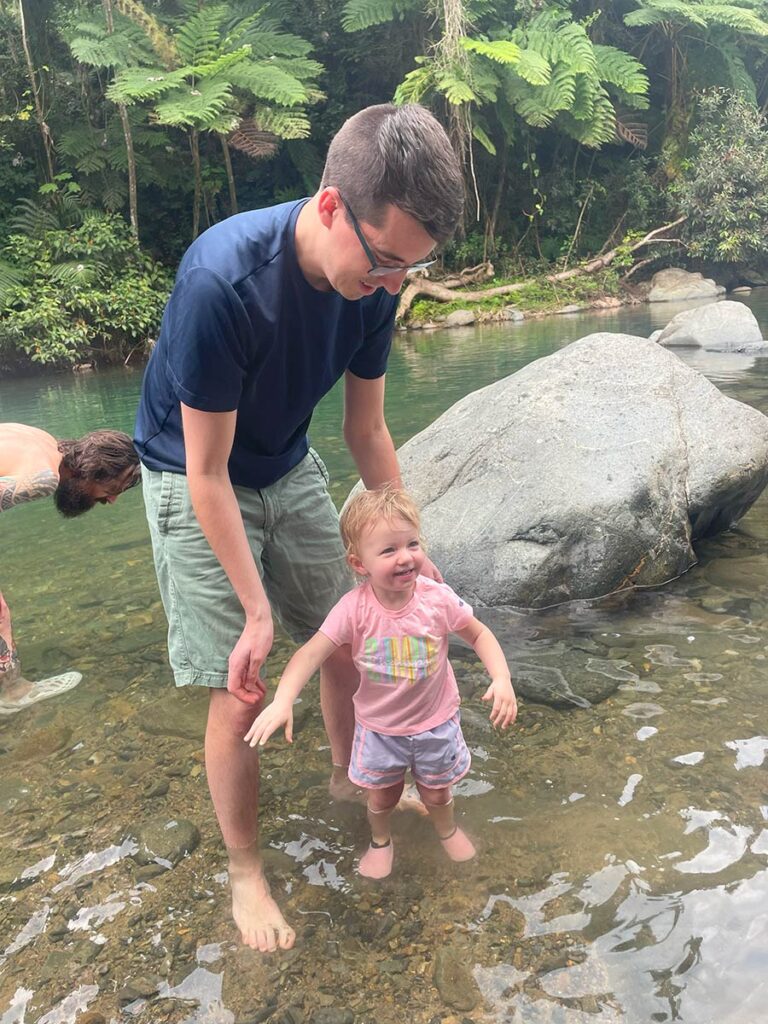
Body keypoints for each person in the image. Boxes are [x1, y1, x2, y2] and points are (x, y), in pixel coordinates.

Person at [134, 102, 464, 953]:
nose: (393, 283)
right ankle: (245, 869)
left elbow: (365, 432)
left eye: (411, 267)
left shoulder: (374, 288)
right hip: (194, 474)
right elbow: (206, 472)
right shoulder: (223, 283)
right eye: (386, 259)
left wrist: (410, 551)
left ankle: (349, 780)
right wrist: (254, 610)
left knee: (350, 634)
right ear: (329, 206)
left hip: (286, 464)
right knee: (235, 679)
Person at [245, 487, 517, 879]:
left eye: (412, 544)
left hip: (436, 723)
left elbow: (478, 634)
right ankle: (381, 840)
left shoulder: (437, 599)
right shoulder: (353, 610)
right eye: (388, 551)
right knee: (382, 795)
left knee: (438, 792)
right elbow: (310, 654)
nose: (405, 557)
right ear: (359, 563)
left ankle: (447, 828)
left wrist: (501, 677)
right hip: (379, 731)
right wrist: (282, 699)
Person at [0, 424, 140, 711]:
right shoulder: (42, 479)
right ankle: (12, 693)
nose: (111, 500)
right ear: (91, 471)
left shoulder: (46, 444)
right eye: (113, 488)